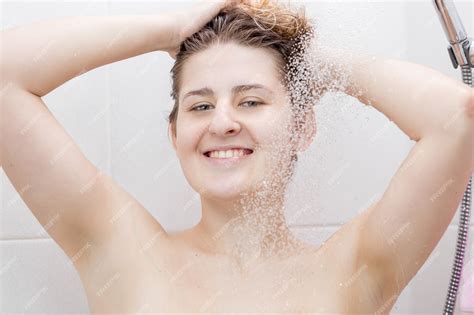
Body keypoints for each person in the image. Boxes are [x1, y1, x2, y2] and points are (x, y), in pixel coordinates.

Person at [1, 0, 472, 313]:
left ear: (302, 127)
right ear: (175, 133)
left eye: (251, 101)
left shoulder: (356, 267)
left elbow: (458, 118)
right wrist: (168, 29)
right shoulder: (121, 250)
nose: (222, 122)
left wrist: (312, 61)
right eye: (200, 105)